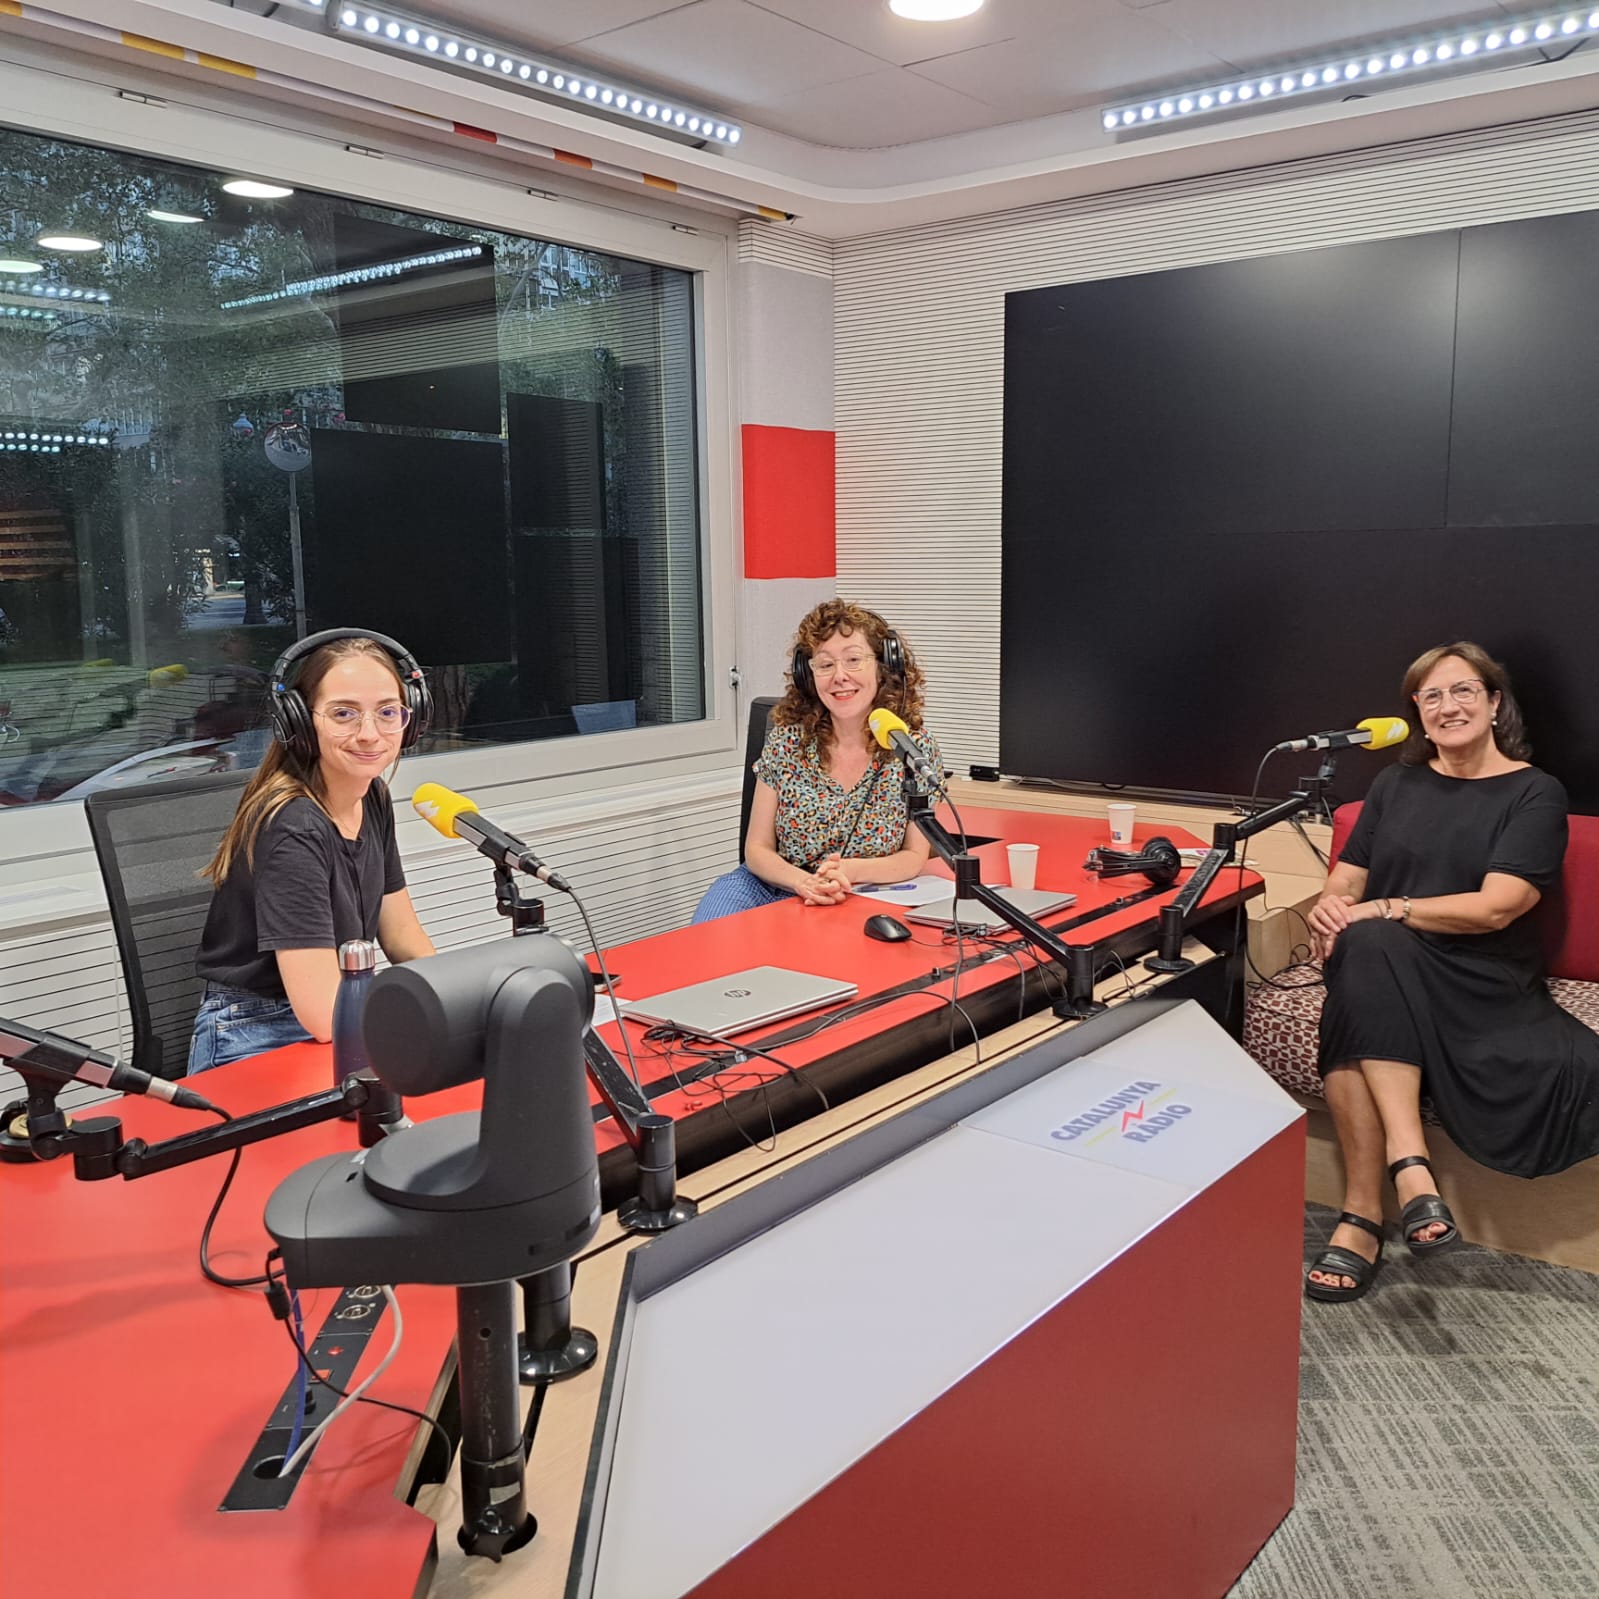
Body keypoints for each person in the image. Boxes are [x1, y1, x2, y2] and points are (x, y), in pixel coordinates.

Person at [1303, 641, 1599, 1302]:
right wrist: (1332, 904)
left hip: (1481, 973)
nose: (1447, 706)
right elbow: (1349, 877)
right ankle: (1407, 1181)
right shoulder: (1394, 784)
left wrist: (1385, 908)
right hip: (1387, 958)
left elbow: (1498, 907)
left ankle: (1365, 1212)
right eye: (1430, 695)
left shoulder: (1534, 791)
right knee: (1365, 952)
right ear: (1417, 711)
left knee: (1364, 960)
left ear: (1494, 703)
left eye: (1463, 690)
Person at [187, 629, 436, 1073]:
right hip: (256, 1033)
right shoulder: (294, 828)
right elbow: (323, 1014)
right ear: (300, 721)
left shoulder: (372, 796)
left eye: (387, 712)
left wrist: (458, 1000)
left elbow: (402, 937)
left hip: (339, 1010)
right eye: (343, 713)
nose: (370, 734)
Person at [693, 601, 941, 923]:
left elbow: (914, 856)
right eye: (825, 665)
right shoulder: (787, 741)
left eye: (853, 660)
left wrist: (848, 871)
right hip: (772, 886)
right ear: (808, 675)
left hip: (863, 891)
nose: (840, 676)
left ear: (884, 667)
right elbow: (756, 848)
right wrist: (803, 882)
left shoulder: (911, 747)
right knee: (709, 939)